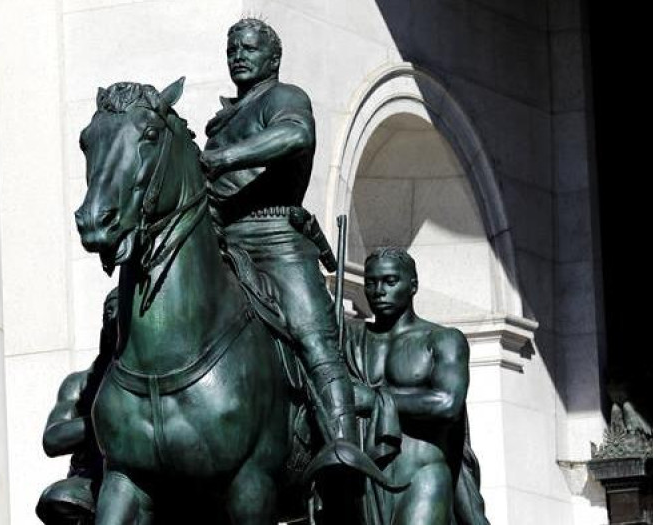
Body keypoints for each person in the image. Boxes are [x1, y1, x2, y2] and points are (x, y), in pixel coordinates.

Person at [201, 17, 362, 459]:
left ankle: (344, 451)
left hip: (277, 238)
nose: (238, 55)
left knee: (316, 340)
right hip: (225, 240)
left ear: (273, 58)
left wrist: (223, 158)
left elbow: (297, 134)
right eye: (232, 47)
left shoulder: (285, 98)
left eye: (249, 48)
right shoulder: (220, 121)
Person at [346, 247, 488, 525]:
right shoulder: (350, 338)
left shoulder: (442, 339)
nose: (378, 291)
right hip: (363, 481)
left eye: (389, 281)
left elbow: (448, 403)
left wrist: (374, 400)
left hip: (423, 478)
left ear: (413, 286)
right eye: (370, 283)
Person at [36, 289, 119, 525]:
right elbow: (52, 439)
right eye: (110, 313)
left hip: (145, 481)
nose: (115, 320)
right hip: (90, 479)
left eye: (122, 313)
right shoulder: (79, 383)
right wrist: (104, 421)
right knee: (58, 498)